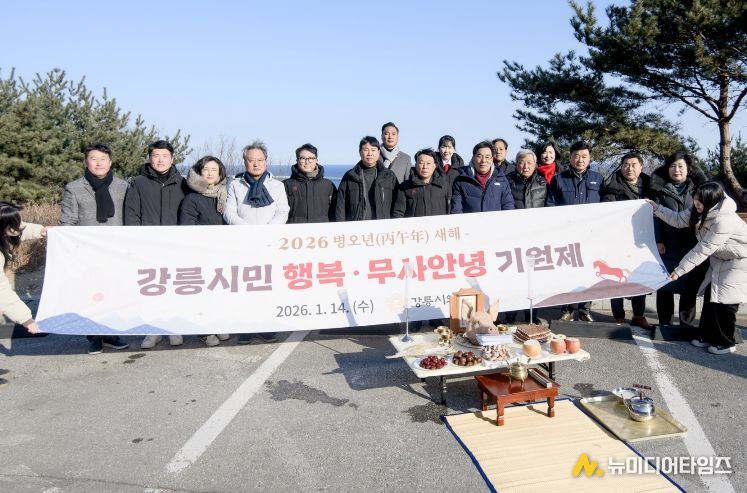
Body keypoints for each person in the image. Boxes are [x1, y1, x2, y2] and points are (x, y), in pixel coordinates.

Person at [650, 181, 747, 354]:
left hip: (738, 260)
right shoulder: (699, 209)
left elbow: (702, 250)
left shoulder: (724, 220)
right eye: (695, 199)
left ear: (712, 201)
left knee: (726, 302)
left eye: (700, 201)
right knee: (711, 296)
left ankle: (726, 342)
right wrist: (657, 209)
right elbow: (678, 219)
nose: (696, 204)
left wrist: (679, 271)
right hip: (720, 258)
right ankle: (707, 335)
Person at [60, 143, 129, 354]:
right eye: (94, 159)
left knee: (114, 293)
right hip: (87, 251)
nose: (99, 163)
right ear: (86, 161)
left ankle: (111, 333)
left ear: (110, 162)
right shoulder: (74, 188)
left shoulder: (123, 186)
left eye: (103, 159)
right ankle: (94, 336)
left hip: (116, 250)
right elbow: (68, 221)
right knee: (91, 295)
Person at [125, 140, 188, 349]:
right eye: (156, 156)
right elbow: (131, 214)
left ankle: (174, 327)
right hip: (147, 246)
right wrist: (136, 243)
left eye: (165, 156)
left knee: (173, 287)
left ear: (172, 158)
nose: (160, 160)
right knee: (151, 289)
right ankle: (152, 330)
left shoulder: (182, 183)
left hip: (175, 246)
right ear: (150, 158)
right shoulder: (138, 183)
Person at [224, 141, 289, 344]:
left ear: (266, 161)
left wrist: (267, 232)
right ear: (245, 162)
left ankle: (267, 326)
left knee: (268, 286)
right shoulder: (235, 184)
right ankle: (246, 328)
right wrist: (248, 232)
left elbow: (283, 211)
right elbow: (229, 212)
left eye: (260, 160)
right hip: (243, 243)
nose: (256, 164)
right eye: (251, 160)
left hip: (270, 243)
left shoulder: (277, 185)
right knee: (245, 287)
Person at [649, 151, 708, 327]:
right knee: (665, 284)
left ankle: (686, 324)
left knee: (689, 286)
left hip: (692, 244)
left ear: (688, 169)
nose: (676, 170)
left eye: (680, 166)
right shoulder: (659, 190)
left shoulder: (699, 190)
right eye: (673, 166)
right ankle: (665, 323)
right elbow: (655, 218)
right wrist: (658, 240)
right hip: (668, 244)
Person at [547, 140, 603, 322]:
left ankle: (585, 309)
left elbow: (606, 206)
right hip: (567, 235)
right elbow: (550, 205)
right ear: (570, 157)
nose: (580, 159)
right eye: (576, 156)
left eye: (584, 156)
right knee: (568, 273)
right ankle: (568, 309)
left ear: (590, 158)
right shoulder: (559, 179)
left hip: (590, 235)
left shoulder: (598, 179)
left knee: (589, 272)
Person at [179, 155, 231, 346]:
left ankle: (217, 324)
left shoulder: (225, 195)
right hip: (201, 255)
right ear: (199, 172)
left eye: (214, 170)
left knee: (220, 293)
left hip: (223, 254)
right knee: (203, 295)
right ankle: (204, 330)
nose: (210, 173)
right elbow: (187, 229)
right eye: (206, 169)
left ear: (220, 174)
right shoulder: (192, 198)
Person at [601, 152, 653, 329]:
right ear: (621, 166)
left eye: (633, 165)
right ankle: (619, 316)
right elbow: (607, 212)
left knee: (640, 278)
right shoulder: (612, 186)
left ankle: (639, 315)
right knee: (616, 277)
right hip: (618, 241)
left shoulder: (650, 186)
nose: (629, 168)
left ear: (641, 167)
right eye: (626, 164)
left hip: (642, 241)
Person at [1, 202, 45, 387]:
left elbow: (19, 229)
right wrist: (27, 320)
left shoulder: (5, 229)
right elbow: (2, 292)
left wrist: (41, 230)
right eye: (15, 223)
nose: (20, 226)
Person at [504, 149, 547, 325]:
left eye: (529, 162)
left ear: (535, 164)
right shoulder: (508, 182)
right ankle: (511, 313)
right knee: (514, 276)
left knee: (533, 278)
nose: (525, 166)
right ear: (516, 164)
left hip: (536, 237)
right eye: (522, 162)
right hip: (514, 236)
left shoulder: (543, 182)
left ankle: (532, 313)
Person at [335, 137, 399, 221]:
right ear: (360, 152)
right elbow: (340, 205)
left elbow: (398, 204)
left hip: (382, 226)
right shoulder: (350, 176)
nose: (370, 154)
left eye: (373, 150)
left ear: (378, 152)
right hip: (357, 226)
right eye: (366, 150)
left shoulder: (389, 176)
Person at [451, 141, 515, 214]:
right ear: (473, 158)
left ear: (492, 159)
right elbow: (456, 209)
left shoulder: (501, 178)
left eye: (487, 157)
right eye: (479, 156)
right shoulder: (461, 180)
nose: (483, 161)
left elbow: (508, 205)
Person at [284, 143, 336, 223]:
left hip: (321, 229)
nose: (307, 162)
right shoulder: (286, 185)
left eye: (311, 158)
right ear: (297, 160)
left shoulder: (328, 185)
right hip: (294, 230)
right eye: (303, 158)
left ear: (316, 160)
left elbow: (335, 211)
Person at [393, 148, 450, 218]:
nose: (425, 167)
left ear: (434, 166)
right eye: (421, 163)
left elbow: (450, 211)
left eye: (428, 163)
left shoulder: (444, 186)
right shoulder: (404, 187)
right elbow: (398, 213)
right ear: (416, 165)